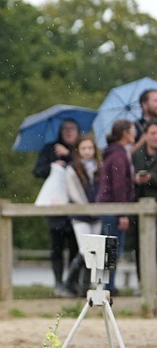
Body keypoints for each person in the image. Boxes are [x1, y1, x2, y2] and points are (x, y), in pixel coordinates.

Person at [33, 118, 81, 296]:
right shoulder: (49, 149)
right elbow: (38, 171)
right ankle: (58, 282)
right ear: (60, 131)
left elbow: (86, 168)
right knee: (57, 246)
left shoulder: (80, 148)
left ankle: (72, 282)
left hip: (76, 205)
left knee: (76, 247)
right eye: (65, 128)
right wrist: (53, 165)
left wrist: (69, 156)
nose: (69, 132)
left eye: (72, 128)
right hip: (56, 205)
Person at [95, 119, 137, 293]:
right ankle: (109, 286)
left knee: (109, 247)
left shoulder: (114, 153)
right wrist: (123, 213)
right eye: (132, 131)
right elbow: (119, 186)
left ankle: (107, 284)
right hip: (113, 207)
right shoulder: (119, 155)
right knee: (113, 248)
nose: (134, 134)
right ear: (125, 133)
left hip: (108, 206)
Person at [61, 134, 101, 296]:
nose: (87, 151)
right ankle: (69, 282)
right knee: (85, 250)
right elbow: (73, 193)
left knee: (94, 251)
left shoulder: (100, 166)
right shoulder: (72, 169)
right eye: (84, 148)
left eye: (90, 148)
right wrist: (87, 207)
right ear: (79, 150)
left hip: (97, 213)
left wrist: (97, 205)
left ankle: (85, 286)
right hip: (80, 214)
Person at [130, 121, 157, 283]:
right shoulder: (136, 155)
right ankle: (144, 284)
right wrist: (136, 179)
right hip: (138, 206)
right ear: (145, 135)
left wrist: (151, 178)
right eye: (152, 133)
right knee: (140, 247)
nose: (155, 137)